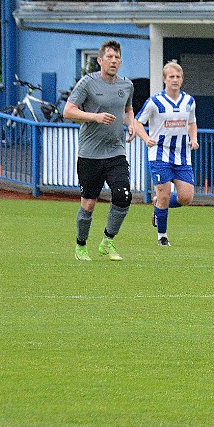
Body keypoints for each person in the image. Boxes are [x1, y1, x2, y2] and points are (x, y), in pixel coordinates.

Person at [64, 40, 135, 261]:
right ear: (100, 60)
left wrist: (131, 124)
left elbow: (128, 108)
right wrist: (94, 117)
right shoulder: (87, 83)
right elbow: (68, 111)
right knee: (89, 203)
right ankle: (81, 245)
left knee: (123, 196)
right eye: (110, 57)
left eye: (117, 58)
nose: (114, 61)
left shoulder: (127, 85)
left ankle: (108, 241)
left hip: (116, 151)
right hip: (90, 153)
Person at [132, 60, 198, 246]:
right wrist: (146, 139)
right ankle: (162, 236)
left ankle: (158, 204)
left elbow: (192, 123)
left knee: (186, 197)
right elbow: (138, 122)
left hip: (182, 155)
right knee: (164, 193)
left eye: (178, 77)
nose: (175, 80)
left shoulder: (189, 101)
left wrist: (193, 139)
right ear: (164, 79)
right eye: (171, 77)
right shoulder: (154, 102)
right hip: (159, 154)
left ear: (182, 79)